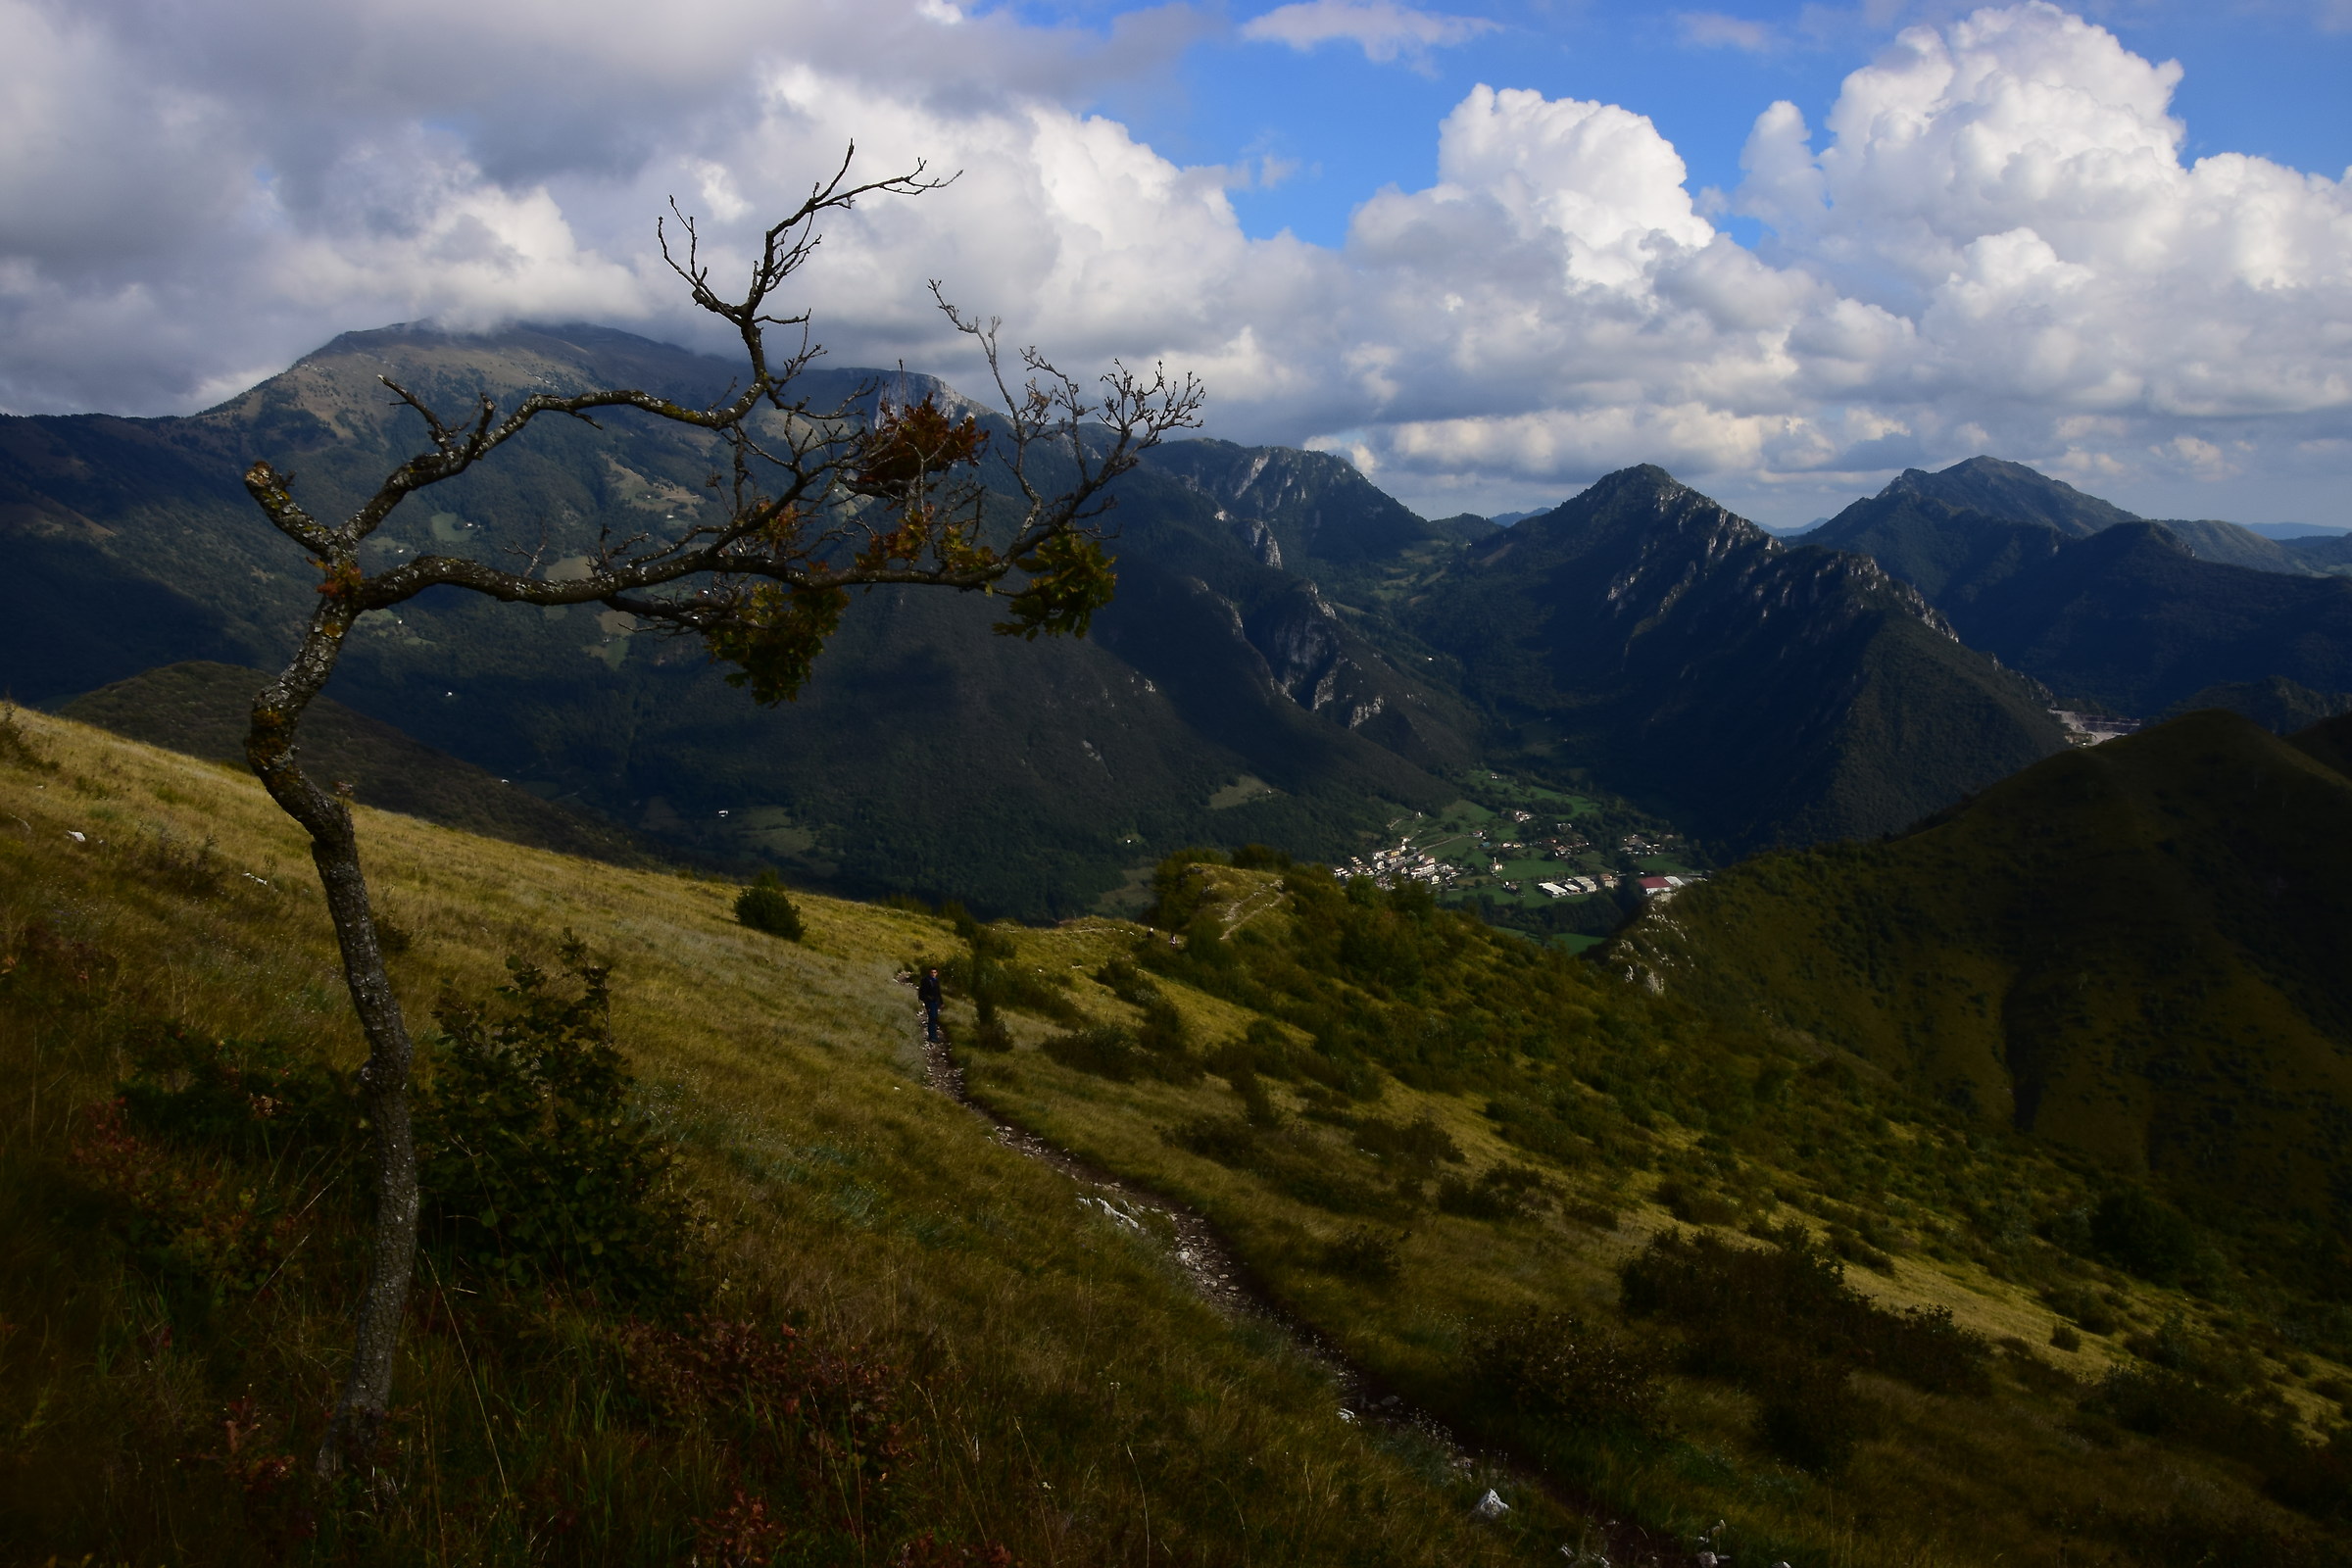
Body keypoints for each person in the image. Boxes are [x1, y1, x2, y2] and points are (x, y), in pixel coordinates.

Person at [917, 966, 944, 1043]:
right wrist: (927, 1004)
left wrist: (941, 1002)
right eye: (932, 972)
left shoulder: (936, 981)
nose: (933, 974)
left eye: (934, 972)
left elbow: (938, 992)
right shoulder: (927, 981)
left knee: (934, 1018)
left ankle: (934, 1036)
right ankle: (932, 1037)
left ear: (937, 973)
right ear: (929, 973)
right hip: (930, 1002)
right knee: (932, 1018)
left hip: (935, 1002)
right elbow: (924, 993)